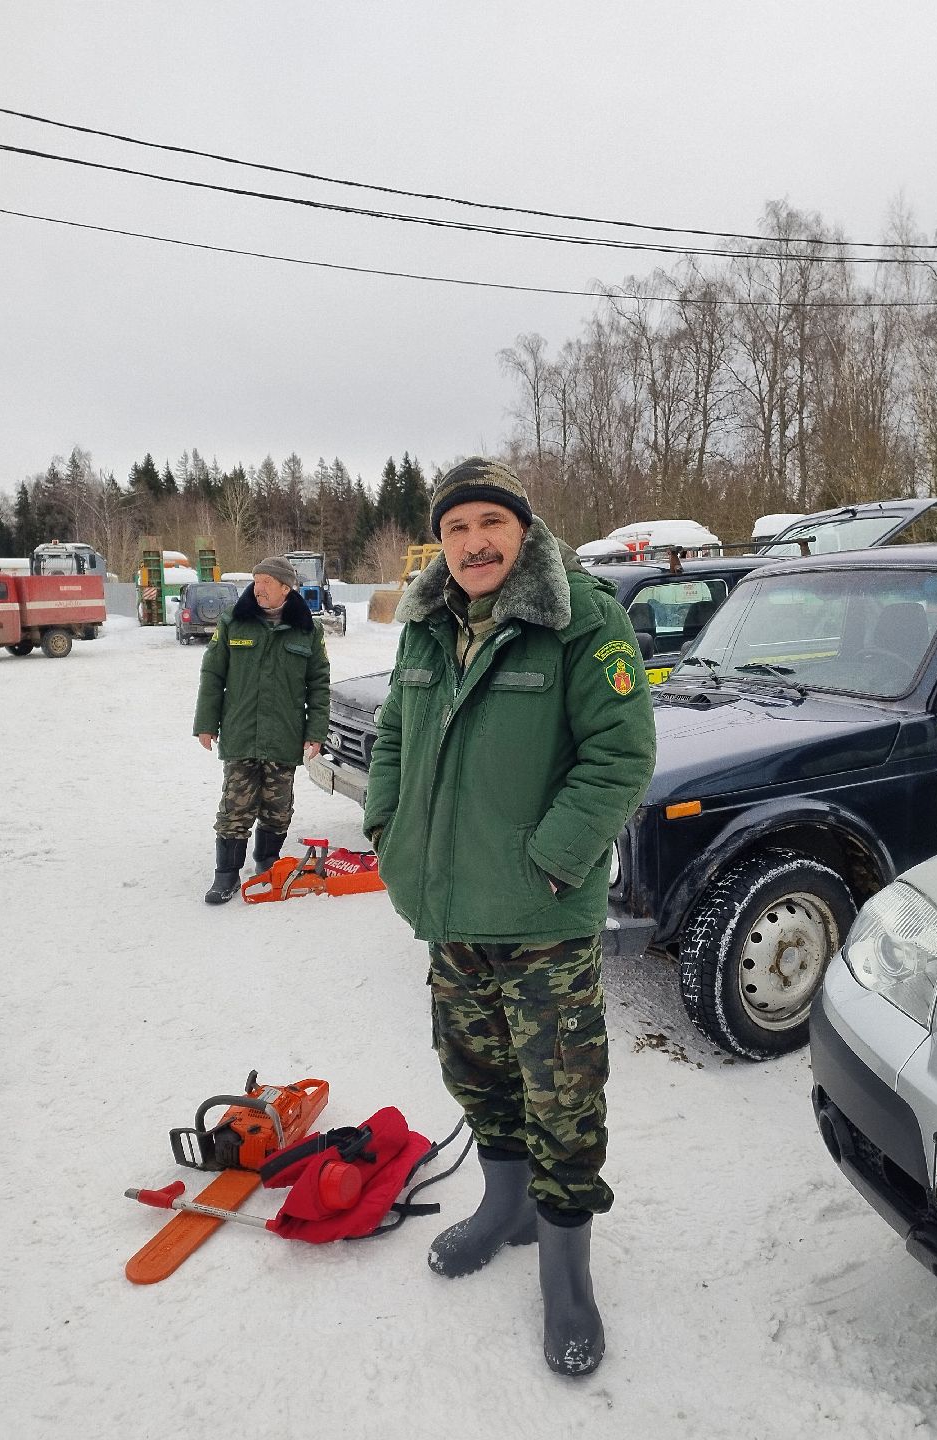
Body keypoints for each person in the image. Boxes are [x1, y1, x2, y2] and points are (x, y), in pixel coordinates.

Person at [364, 458, 656, 1376]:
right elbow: (392, 739)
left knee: (563, 1099)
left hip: (541, 917)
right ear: (440, 541)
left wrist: (551, 862)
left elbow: (621, 754)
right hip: (451, 911)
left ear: (522, 531)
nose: (474, 542)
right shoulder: (426, 622)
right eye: (456, 528)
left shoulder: (580, 619)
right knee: (477, 1071)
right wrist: (386, 828)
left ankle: (568, 1276)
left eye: (491, 522)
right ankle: (505, 1205)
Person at [193, 556, 331, 904]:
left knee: (277, 807)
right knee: (235, 807)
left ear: (286, 587)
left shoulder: (308, 631)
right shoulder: (234, 623)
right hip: (241, 731)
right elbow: (213, 676)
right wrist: (206, 724)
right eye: (256, 582)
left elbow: (319, 685)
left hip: (284, 734)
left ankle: (267, 866)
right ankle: (225, 875)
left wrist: (316, 732)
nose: (258, 588)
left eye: (266, 582)